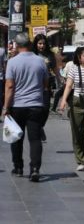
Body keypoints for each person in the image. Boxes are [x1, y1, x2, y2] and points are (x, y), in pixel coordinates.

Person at [2, 33, 49, 182]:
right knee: (34, 139)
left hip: (17, 106)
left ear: (16, 45)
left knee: (16, 137)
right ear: (29, 44)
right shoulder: (40, 61)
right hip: (36, 105)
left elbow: (9, 86)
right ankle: (35, 169)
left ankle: (18, 167)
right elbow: (45, 84)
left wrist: (5, 107)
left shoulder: (12, 62)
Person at [32, 34, 55, 141]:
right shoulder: (31, 55)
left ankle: (40, 126)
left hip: (46, 86)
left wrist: (60, 80)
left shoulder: (49, 55)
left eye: (44, 44)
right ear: (36, 44)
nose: (42, 46)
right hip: (33, 86)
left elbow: (55, 70)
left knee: (46, 109)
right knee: (36, 109)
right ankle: (36, 128)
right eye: (40, 43)